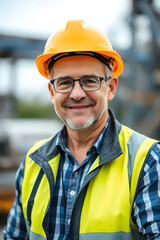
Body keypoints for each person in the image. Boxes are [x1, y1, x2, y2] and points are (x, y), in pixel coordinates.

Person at [3, 20, 160, 240]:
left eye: (89, 80)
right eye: (65, 82)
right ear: (52, 91)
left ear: (111, 87)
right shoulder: (32, 162)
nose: (77, 93)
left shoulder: (147, 161)